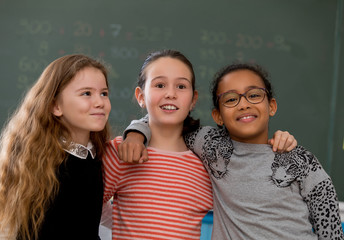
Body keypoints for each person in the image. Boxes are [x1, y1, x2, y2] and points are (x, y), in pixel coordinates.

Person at [124, 63, 344, 239]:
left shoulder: (299, 159)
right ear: (217, 116)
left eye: (254, 95)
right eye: (231, 99)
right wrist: (136, 133)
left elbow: (331, 227)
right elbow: (165, 119)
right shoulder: (211, 145)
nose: (244, 104)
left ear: (272, 106)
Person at [103, 49, 296, 240]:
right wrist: (126, 225)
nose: (170, 93)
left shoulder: (208, 163)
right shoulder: (123, 152)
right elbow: (86, 206)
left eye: (181, 86)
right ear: (140, 96)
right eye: (160, 85)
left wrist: (281, 142)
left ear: (193, 99)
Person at [0, 54, 112, 240]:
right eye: (86, 93)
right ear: (56, 106)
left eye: (104, 93)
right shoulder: (34, 162)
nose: (100, 102)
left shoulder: (97, 156)